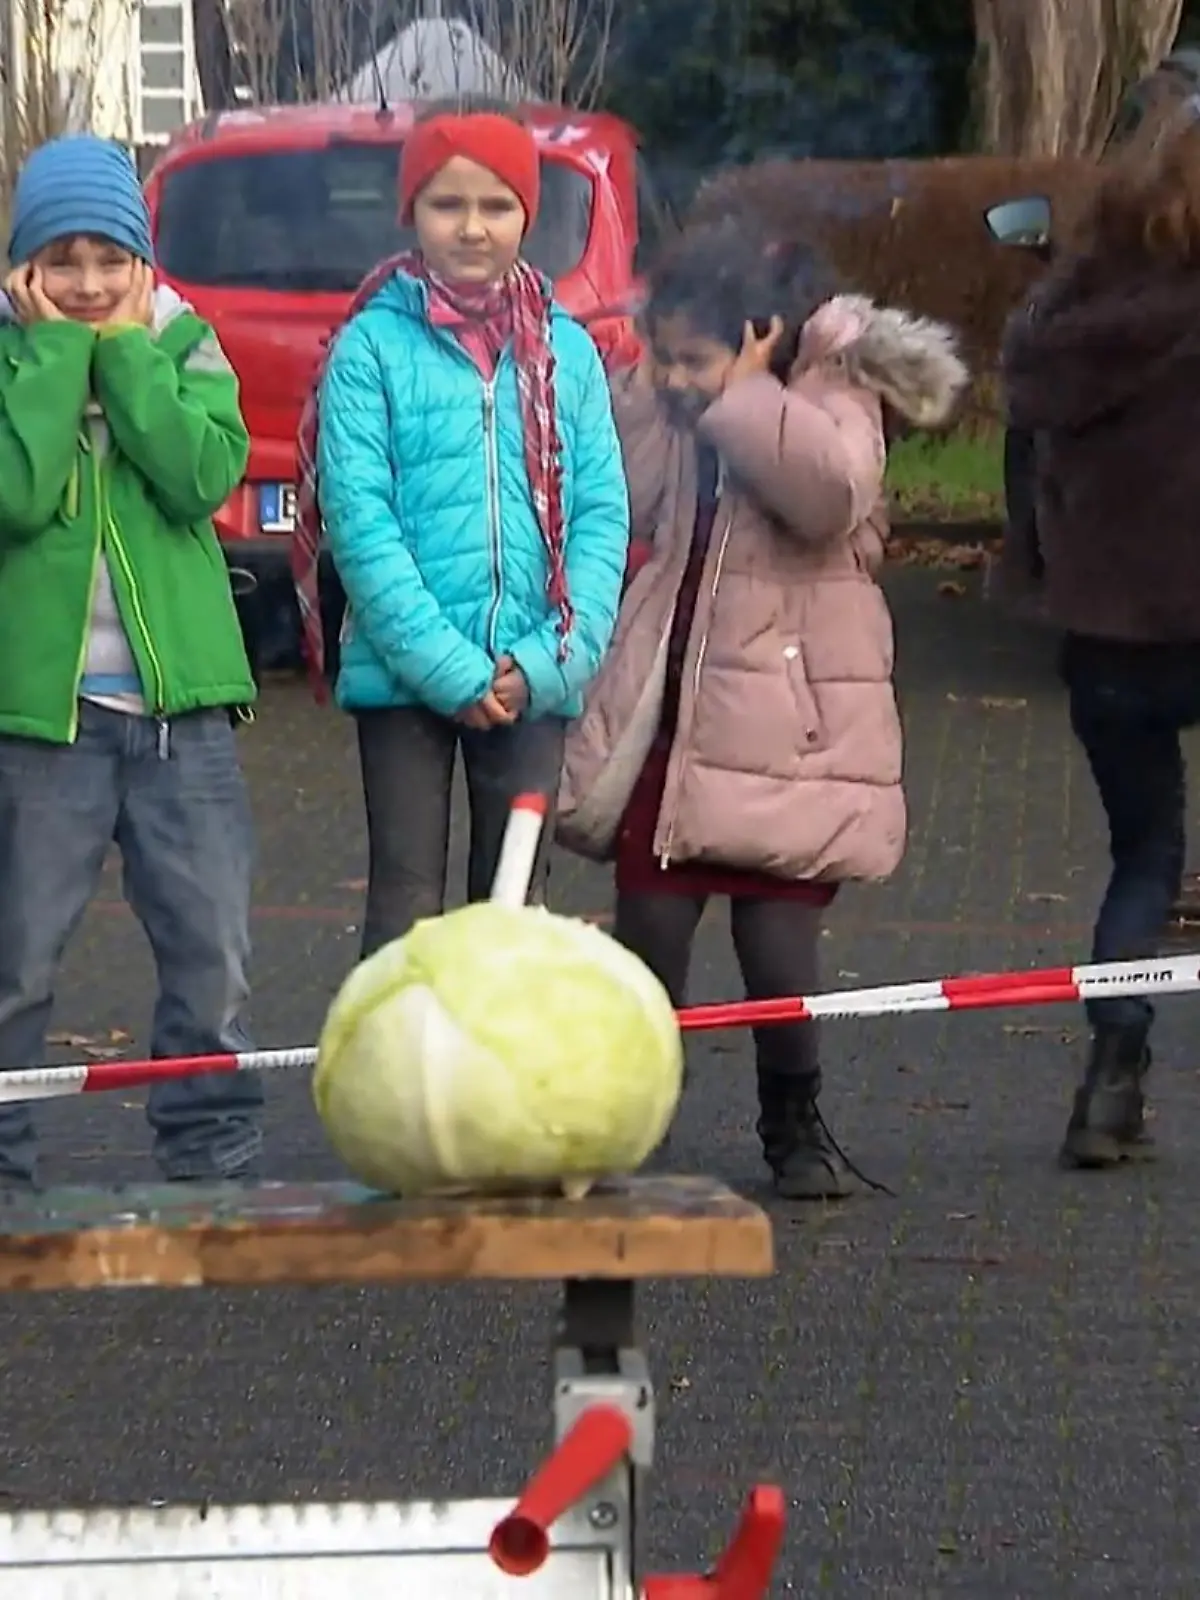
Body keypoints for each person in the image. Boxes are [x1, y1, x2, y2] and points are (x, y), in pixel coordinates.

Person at [557, 221, 968, 1199]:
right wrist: (643, 398)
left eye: (691, 360)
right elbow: (628, 496)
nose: (675, 377)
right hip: (677, 712)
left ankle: (795, 1122)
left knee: (776, 947)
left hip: (790, 722)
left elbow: (829, 496)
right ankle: (625, 1118)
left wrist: (739, 399)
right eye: (662, 356)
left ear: (758, 336)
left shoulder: (835, 386)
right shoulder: (673, 397)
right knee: (649, 933)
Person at [0, 134, 263, 1186]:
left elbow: (202, 475)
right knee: (16, 962)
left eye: (111, 259)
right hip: (38, 723)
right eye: (61, 260)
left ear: (144, 264)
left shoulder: (185, 344)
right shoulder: (11, 357)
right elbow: (17, 497)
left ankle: (212, 1160)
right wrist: (56, 360)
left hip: (178, 718)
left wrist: (125, 358)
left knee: (212, 957)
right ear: (24, 266)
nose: (88, 282)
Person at [309, 105, 629, 954]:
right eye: (447, 204)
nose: (472, 227)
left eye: (496, 205)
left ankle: (499, 1054)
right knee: (405, 907)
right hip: (404, 674)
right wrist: (447, 667)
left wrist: (554, 658)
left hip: (533, 670)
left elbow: (602, 514)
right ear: (411, 212)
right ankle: (396, 1049)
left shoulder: (568, 351)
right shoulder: (370, 349)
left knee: (512, 912)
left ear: (528, 213)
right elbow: (361, 522)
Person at [1002, 103, 1200, 1170]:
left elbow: (1028, 405)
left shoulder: (1079, 304)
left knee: (1144, 857)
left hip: (1113, 631)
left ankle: (1110, 1085)